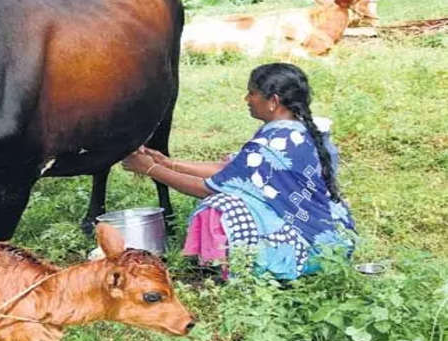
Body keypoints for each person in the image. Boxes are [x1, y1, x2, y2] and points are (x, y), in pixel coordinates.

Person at [122, 63, 356, 280]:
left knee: (220, 205)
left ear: (273, 101)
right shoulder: (297, 132)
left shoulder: (271, 143)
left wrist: (150, 168)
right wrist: (167, 163)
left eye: (251, 93)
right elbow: (230, 170)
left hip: (310, 251)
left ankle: (258, 268)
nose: (247, 99)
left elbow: (206, 188)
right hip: (334, 241)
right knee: (233, 194)